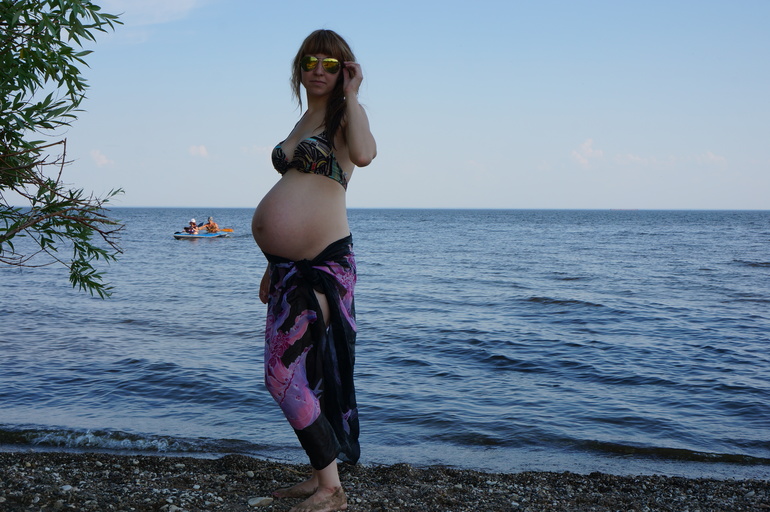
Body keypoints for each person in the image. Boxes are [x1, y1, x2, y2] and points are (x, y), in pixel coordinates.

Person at [251, 29, 376, 512]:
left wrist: (354, 93)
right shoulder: (303, 118)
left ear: (344, 69)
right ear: (299, 68)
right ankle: (321, 475)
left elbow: (363, 156)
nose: (318, 70)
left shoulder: (347, 115)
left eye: (330, 63)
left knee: (282, 374)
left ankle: (331, 490)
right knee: (307, 372)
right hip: (287, 266)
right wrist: (272, 262)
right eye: (310, 62)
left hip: (324, 264)